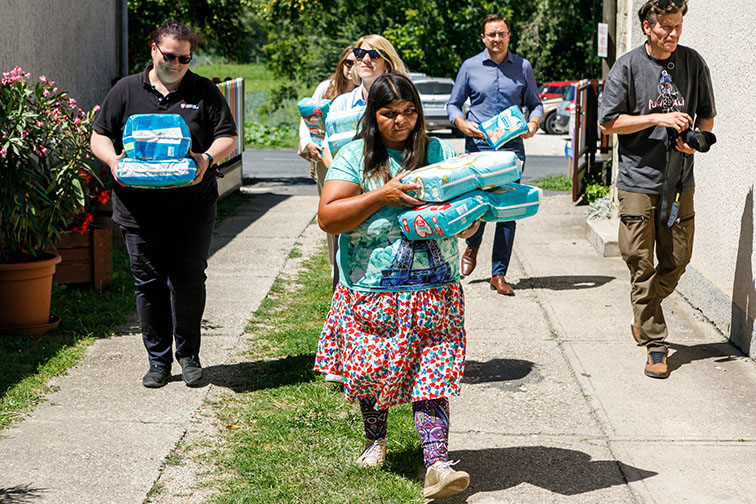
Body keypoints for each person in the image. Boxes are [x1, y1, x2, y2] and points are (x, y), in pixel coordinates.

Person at [314, 73, 477, 500]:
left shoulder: (438, 151)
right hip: (372, 289)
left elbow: (467, 204)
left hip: (436, 288)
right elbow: (329, 217)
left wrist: (468, 223)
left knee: (433, 374)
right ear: (374, 115)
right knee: (372, 372)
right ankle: (376, 438)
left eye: (409, 112)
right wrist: (379, 197)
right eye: (389, 113)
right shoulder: (355, 156)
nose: (401, 121)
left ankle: (437, 463)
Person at [91, 21, 238, 388]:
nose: (176, 64)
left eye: (184, 58)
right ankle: (158, 361)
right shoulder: (126, 90)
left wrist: (205, 159)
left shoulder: (203, 91)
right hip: (138, 210)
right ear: (154, 50)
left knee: (188, 280)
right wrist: (113, 162)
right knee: (149, 284)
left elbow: (228, 136)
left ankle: (188, 356)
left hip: (192, 207)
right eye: (169, 55)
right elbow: (99, 135)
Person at [599, 0, 715, 379]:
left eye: (678, 26)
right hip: (638, 180)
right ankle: (655, 344)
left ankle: (642, 311)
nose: (673, 34)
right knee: (638, 260)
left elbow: (706, 116)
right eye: (666, 27)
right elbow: (609, 123)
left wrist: (695, 141)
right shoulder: (628, 66)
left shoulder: (693, 63)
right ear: (648, 27)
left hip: (680, 180)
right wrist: (655, 117)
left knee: (678, 259)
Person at [320, 34, 409, 382]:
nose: (364, 59)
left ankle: (394, 349)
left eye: (373, 54)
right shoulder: (341, 104)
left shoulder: (399, 94)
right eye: (359, 53)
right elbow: (329, 143)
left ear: (388, 60)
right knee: (343, 264)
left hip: (387, 185)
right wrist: (340, 169)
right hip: (343, 183)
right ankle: (346, 354)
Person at [446, 13, 543, 296]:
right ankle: (473, 245)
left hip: (512, 148)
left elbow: (535, 104)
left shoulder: (523, 67)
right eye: (492, 34)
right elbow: (453, 104)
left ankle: (498, 274)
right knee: (477, 203)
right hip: (478, 147)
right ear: (483, 38)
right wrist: (462, 123)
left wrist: (534, 123)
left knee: (507, 210)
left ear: (509, 36)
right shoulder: (470, 66)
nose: (497, 39)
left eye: (501, 34)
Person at [299, 45, 357, 271]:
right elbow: (307, 120)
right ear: (341, 64)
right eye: (347, 62)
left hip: (354, 158)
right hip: (326, 158)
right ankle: (335, 263)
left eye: (355, 63)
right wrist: (309, 144)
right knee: (331, 209)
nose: (350, 68)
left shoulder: (368, 89)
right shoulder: (327, 88)